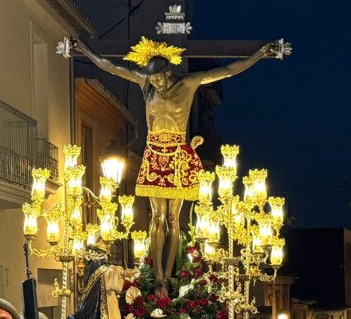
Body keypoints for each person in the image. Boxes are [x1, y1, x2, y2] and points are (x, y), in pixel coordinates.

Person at [70, 36, 284, 285]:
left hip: (179, 155)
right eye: (153, 79)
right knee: (157, 217)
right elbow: (111, 67)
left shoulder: (188, 84)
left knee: (173, 219)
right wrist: (84, 49)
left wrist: (259, 54)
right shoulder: (146, 85)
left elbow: (227, 70)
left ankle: (169, 274)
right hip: (154, 154)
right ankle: (158, 275)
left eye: (159, 78)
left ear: (168, 72)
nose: (157, 83)